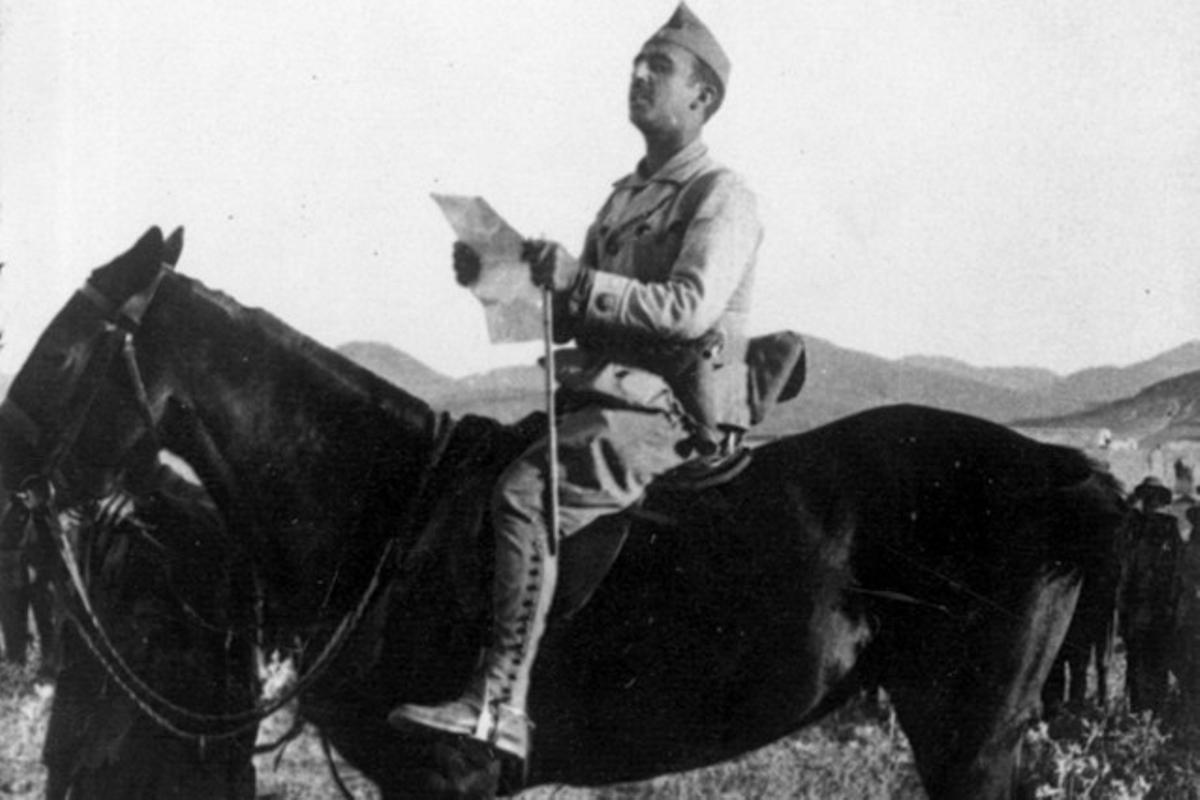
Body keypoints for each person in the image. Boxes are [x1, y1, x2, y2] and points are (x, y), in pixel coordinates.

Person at [389, 3, 762, 761]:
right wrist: (497, 278)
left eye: (660, 67)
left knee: (526, 495)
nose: (639, 75)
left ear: (702, 98)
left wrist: (579, 281)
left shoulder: (722, 195)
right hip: (609, 398)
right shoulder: (625, 198)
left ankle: (499, 708)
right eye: (637, 62)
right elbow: (579, 322)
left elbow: (688, 312)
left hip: (673, 413)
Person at [1119, 476, 1183, 716]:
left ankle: (1156, 713)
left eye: (1155, 498)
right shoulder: (1133, 527)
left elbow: (1176, 570)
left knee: (1158, 662)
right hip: (1137, 607)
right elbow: (1127, 567)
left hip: (1160, 607)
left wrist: (1171, 605)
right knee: (1136, 663)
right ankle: (1139, 714)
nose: (1151, 503)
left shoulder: (1168, 527)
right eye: (1147, 498)